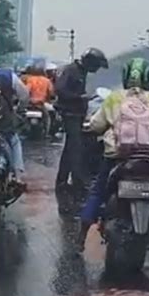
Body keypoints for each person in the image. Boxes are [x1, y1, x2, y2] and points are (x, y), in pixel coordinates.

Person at [78, 58, 149, 259]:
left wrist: (94, 129)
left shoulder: (113, 98)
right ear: (148, 78)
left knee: (98, 192)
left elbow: (96, 125)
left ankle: (81, 238)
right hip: (148, 158)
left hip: (116, 157)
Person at [55, 48, 109, 200]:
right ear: (90, 62)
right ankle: (79, 182)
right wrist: (79, 97)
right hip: (70, 114)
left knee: (70, 150)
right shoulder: (71, 70)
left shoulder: (81, 72)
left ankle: (62, 182)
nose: (96, 69)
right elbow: (60, 89)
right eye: (96, 65)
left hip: (77, 115)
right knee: (76, 149)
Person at [0, 68, 30, 184]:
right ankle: (17, 176)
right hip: (4, 119)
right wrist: (20, 109)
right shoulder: (8, 75)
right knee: (14, 140)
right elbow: (24, 95)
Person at [23, 63, 55, 135]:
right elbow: (51, 92)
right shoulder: (47, 81)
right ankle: (47, 132)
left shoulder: (30, 80)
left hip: (30, 103)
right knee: (48, 118)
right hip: (41, 104)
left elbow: (26, 91)